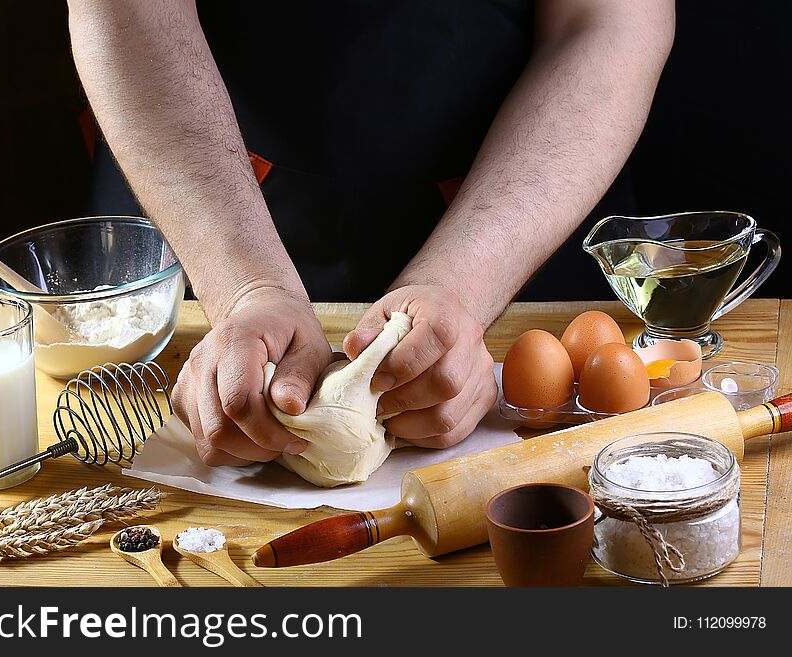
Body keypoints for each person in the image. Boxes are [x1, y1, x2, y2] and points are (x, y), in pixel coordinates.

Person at [67, 0, 675, 467]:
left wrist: (460, 287)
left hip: (519, 198)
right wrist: (246, 285)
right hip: (208, 192)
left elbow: (606, 21)